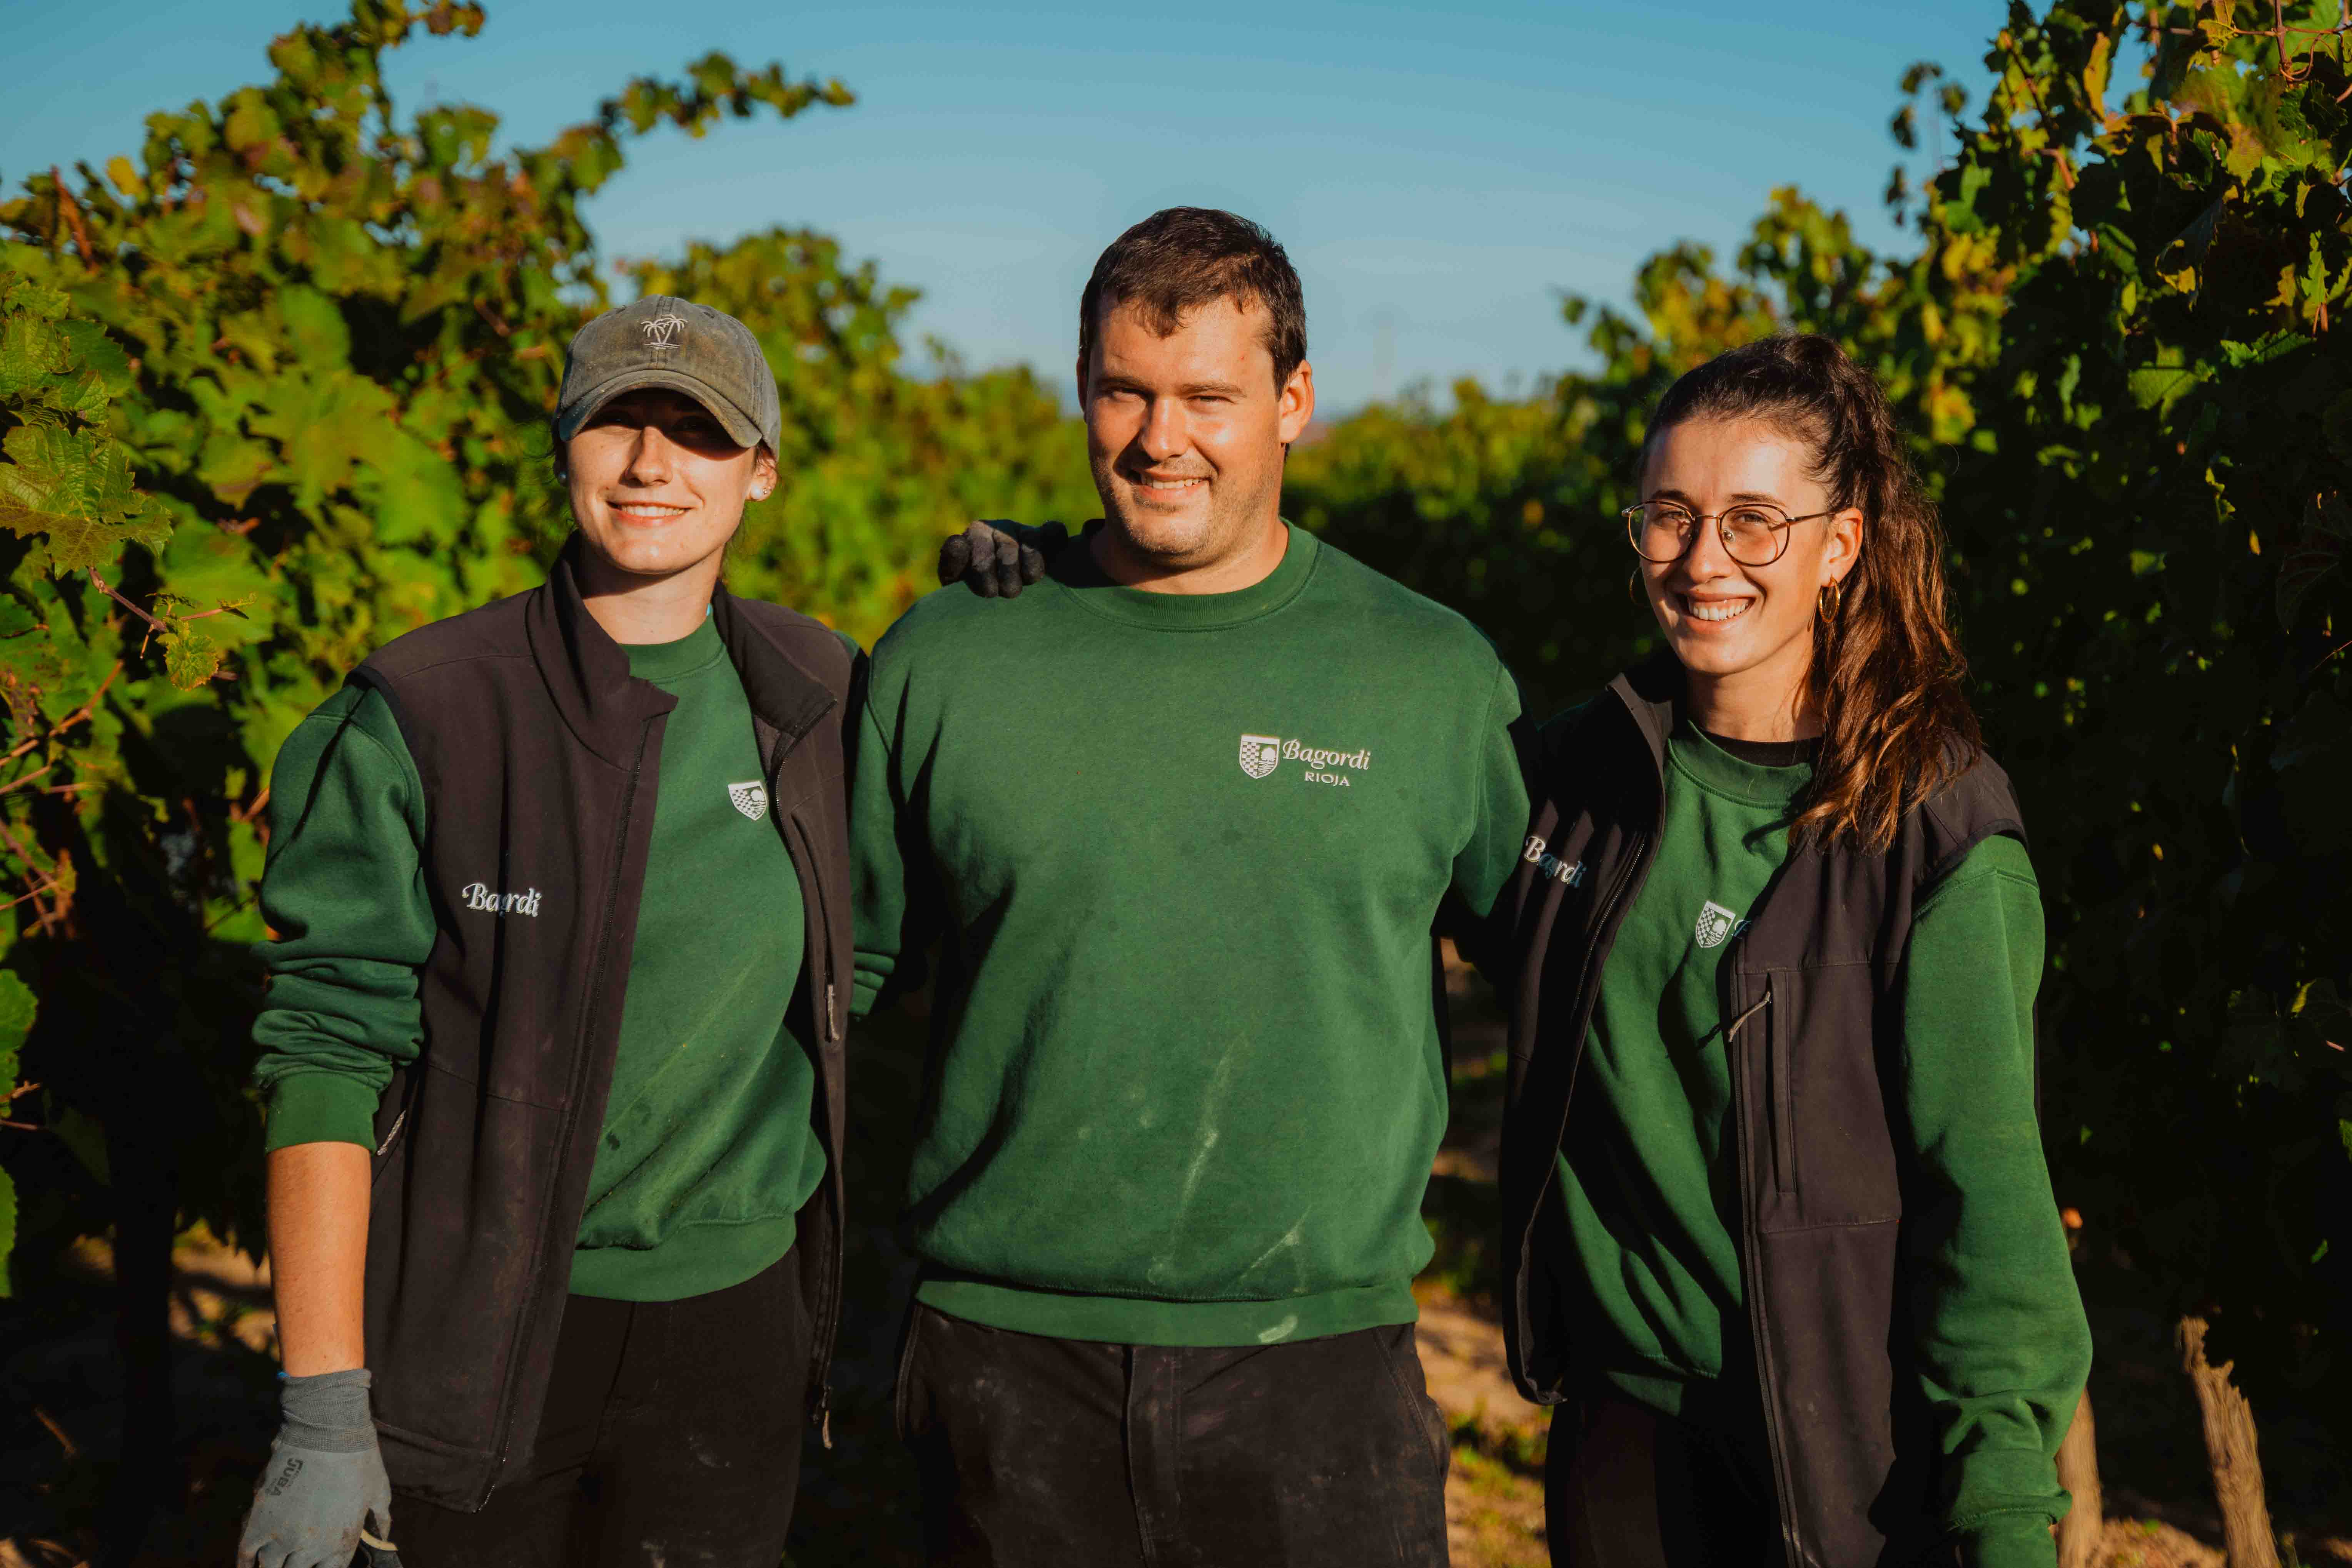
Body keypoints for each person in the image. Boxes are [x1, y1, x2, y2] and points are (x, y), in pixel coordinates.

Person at [851, 207, 1528, 1566]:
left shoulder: (1429, 675)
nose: (1162, 440)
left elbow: (1556, 974)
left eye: (1208, 398)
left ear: (1293, 404)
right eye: (1125, 392)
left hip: (1316, 1366)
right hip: (999, 1364)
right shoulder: (950, 657)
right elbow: (842, 986)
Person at [239, 295, 871, 1568]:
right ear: (563, 446)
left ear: (760, 474)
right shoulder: (424, 714)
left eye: (696, 433)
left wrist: (1030, 578)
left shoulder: (826, 699)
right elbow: (324, 1048)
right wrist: (321, 1406)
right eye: (616, 423)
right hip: (479, 1326)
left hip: (733, 1330)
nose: (649, 464)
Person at [1487, 334, 2092, 1568]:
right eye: (1669, 516)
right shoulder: (1574, 779)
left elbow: (1987, 1207)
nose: (1702, 561)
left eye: (1753, 521)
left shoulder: (1933, 837)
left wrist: (2010, 1506)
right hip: (1622, 1444)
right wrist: (1077, 588)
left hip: (1842, 1461)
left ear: (1840, 544)